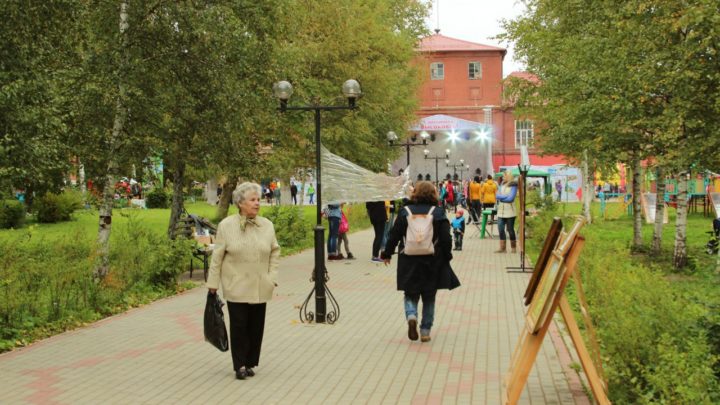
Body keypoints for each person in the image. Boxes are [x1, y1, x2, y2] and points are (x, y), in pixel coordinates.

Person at [206, 182, 280, 380]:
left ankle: (250, 362)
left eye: (258, 199)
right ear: (240, 203)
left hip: (260, 284)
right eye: (253, 200)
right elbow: (217, 257)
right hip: (236, 284)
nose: (257, 203)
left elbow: (275, 251)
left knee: (256, 327)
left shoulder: (267, 225)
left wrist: (272, 278)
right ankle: (239, 365)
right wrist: (212, 285)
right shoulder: (226, 226)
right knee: (239, 325)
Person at [381, 181, 460, 342]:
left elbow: (394, 235)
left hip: (408, 259)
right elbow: (446, 237)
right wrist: (447, 255)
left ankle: (411, 316)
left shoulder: (405, 211)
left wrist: (387, 254)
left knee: (410, 293)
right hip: (432, 259)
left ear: (415, 193)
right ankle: (425, 331)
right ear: (433, 194)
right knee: (429, 296)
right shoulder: (438, 212)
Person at [495, 171, 518, 253]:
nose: (503, 177)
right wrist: (504, 196)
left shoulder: (514, 185)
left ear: (508, 176)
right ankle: (502, 248)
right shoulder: (501, 185)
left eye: (504, 176)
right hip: (501, 211)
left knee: (510, 230)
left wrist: (501, 197)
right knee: (500, 229)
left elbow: (510, 199)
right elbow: (497, 195)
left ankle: (513, 248)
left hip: (510, 211)